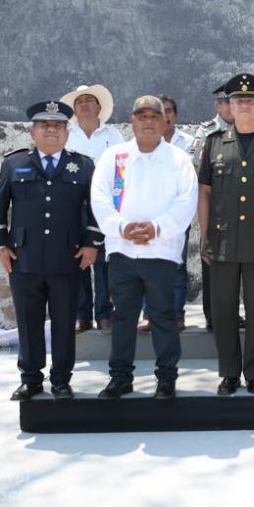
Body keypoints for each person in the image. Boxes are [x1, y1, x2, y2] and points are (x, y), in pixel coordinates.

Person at [0, 100, 102, 401]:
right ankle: (30, 378)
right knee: (28, 321)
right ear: (32, 131)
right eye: (45, 125)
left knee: (65, 322)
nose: (52, 130)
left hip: (68, 258)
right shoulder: (14, 163)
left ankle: (62, 380)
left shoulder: (84, 164)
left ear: (67, 133)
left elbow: (97, 209)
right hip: (23, 257)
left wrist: (92, 244)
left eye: (59, 125)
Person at [91, 95, 198, 400]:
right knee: (123, 316)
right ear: (132, 121)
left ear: (166, 121)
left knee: (163, 316)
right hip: (123, 252)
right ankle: (121, 377)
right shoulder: (114, 157)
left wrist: (156, 228)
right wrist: (122, 228)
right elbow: (99, 198)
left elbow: (186, 202)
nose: (149, 121)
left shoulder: (178, 160)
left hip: (161, 253)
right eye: (142, 116)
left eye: (155, 116)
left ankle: (166, 379)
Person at [198, 72, 254, 396]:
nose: (244, 105)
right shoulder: (214, 144)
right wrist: (205, 236)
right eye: (238, 100)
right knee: (222, 311)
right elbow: (205, 192)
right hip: (222, 240)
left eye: (250, 100)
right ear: (229, 107)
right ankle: (229, 373)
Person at [59, 83, 124, 334]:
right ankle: (81, 314)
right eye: (80, 101)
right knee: (78, 261)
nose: (85, 104)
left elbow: (121, 171)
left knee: (104, 261)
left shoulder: (113, 135)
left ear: (99, 107)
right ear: (74, 109)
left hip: (105, 206)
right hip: (74, 205)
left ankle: (105, 314)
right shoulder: (67, 135)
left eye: (89, 100)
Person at [137, 94, 193, 333]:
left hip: (178, 216)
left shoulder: (190, 144)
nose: (166, 116)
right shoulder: (140, 143)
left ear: (175, 115)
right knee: (146, 266)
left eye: (169, 111)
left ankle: (176, 315)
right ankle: (149, 316)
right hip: (148, 214)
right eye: (161, 112)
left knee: (177, 266)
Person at [188, 83, 234, 332]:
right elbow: (194, 170)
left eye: (234, 101)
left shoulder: (247, 129)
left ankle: (232, 314)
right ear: (218, 104)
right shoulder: (206, 132)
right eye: (225, 102)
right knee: (213, 264)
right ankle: (214, 317)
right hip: (214, 206)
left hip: (240, 207)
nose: (230, 106)